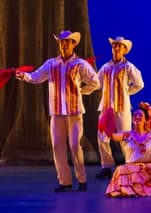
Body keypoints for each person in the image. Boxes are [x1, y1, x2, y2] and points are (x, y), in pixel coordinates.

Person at [15, 30, 100, 192]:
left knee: (75, 146)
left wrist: (83, 90)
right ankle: (65, 181)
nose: (64, 44)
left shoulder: (80, 64)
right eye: (61, 41)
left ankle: (82, 179)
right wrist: (23, 76)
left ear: (74, 44)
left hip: (74, 112)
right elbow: (36, 77)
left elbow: (95, 81)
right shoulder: (52, 63)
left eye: (67, 41)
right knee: (57, 147)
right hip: (57, 112)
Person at [95, 36, 144, 179]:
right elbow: (97, 83)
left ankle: (129, 164)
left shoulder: (128, 67)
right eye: (114, 46)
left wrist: (126, 92)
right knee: (102, 137)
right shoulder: (106, 67)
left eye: (119, 46)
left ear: (124, 50)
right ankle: (106, 166)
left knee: (125, 137)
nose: (116, 48)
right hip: (106, 107)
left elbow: (139, 84)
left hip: (122, 108)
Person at [104, 102, 151, 197]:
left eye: (140, 115)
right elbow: (113, 136)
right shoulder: (127, 135)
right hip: (132, 168)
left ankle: (147, 187)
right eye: (135, 115)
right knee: (121, 169)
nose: (137, 116)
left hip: (147, 167)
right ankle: (148, 188)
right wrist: (107, 124)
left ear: (146, 120)